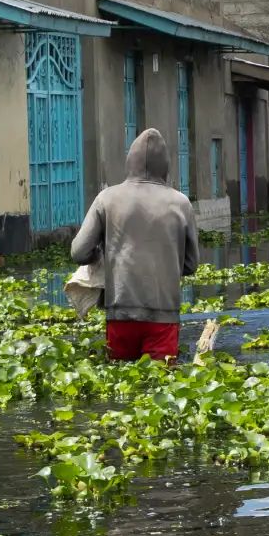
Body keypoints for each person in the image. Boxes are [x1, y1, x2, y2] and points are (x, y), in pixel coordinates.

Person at [71, 128, 199, 362]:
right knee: (160, 389)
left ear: (130, 161)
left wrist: (104, 255)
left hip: (121, 315)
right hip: (164, 318)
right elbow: (191, 265)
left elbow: (79, 252)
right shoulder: (182, 204)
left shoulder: (106, 198)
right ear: (166, 165)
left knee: (121, 386)